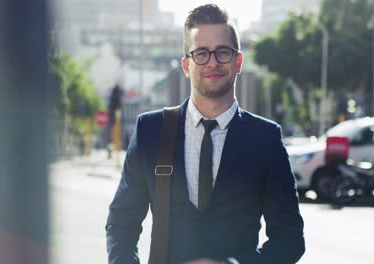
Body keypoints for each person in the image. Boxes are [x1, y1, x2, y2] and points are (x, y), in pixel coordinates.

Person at [106, 4, 305, 264]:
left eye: (223, 52)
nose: (212, 62)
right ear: (186, 65)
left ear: (238, 61)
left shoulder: (266, 138)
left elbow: (290, 238)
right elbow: (122, 223)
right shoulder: (150, 131)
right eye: (201, 53)